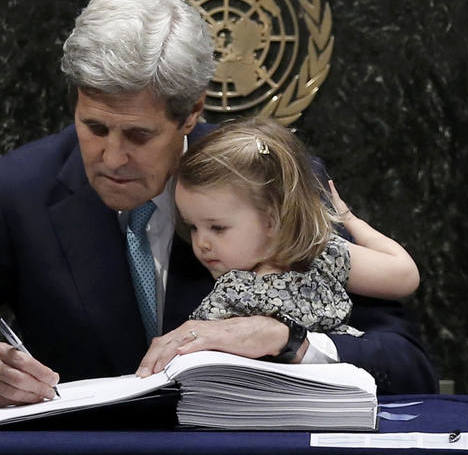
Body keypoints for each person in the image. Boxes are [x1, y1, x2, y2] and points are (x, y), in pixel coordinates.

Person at [0, 0, 437, 410]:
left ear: (192, 113)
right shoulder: (17, 192)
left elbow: (408, 366)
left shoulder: (270, 179)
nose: (111, 157)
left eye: (139, 135)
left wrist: (290, 342)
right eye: (94, 127)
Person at [174, 117, 419, 343]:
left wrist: (350, 220)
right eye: (193, 227)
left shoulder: (321, 255)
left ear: (272, 220)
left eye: (217, 228)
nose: (201, 243)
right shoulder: (227, 292)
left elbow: (404, 276)